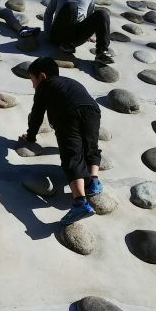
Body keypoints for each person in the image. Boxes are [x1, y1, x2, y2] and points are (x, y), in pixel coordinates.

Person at [19, 57, 103, 224]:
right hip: (92, 110)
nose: (33, 85)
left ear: (42, 76)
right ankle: (93, 180)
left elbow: (37, 114)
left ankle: (80, 202)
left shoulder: (45, 86)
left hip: (67, 113)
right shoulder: (70, 82)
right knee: (90, 147)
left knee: (71, 155)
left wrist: (30, 136)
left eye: (32, 80)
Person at [43, 0, 114, 64]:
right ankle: (65, 43)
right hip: (59, 34)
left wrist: (88, 34)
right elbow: (49, 13)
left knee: (102, 13)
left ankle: (101, 52)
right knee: (71, 6)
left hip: (75, 38)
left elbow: (89, 15)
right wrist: (47, 34)